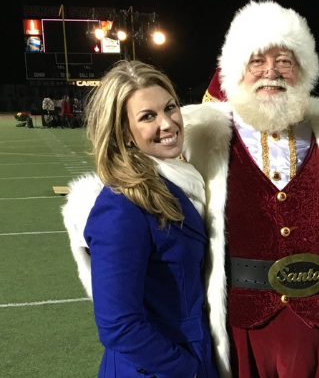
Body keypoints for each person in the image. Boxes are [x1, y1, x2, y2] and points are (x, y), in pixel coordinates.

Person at [181, 0, 319, 377]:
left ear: (304, 70)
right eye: (257, 61)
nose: (271, 72)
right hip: (244, 323)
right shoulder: (201, 135)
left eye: (285, 60)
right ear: (238, 70)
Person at [61, 61, 219, 378]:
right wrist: (188, 370)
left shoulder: (184, 182)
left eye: (170, 107)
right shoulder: (121, 205)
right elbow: (118, 325)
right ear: (124, 132)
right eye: (148, 116)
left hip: (194, 354)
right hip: (158, 369)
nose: (168, 123)